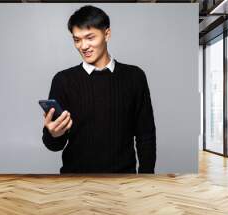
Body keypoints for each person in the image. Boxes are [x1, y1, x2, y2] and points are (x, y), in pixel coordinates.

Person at [42, 5, 156, 174]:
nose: (83, 46)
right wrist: (54, 134)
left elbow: (145, 135)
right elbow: (54, 146)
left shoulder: (135, 77)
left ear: (107, 34)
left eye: (90, 37)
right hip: (75, 181)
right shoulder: (63, 80)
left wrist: (146, 179)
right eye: (77, 39)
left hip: (123, 181)